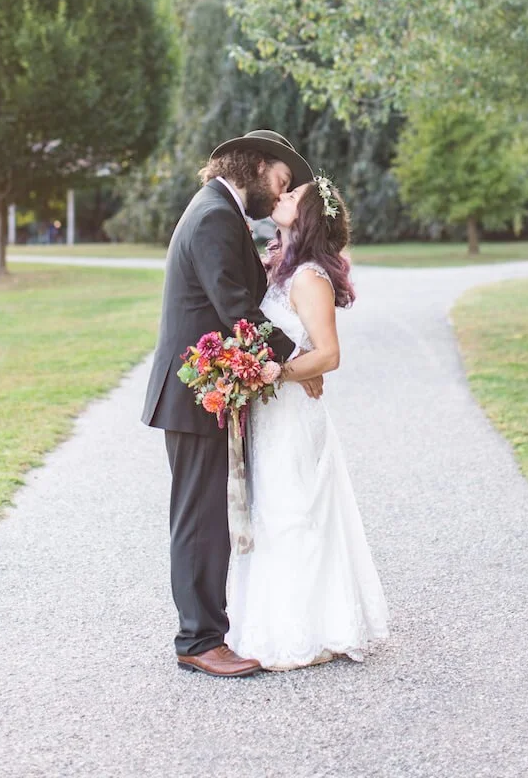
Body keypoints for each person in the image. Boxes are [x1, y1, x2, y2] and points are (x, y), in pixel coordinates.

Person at [142, 129, 321, 679]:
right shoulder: (216, 215)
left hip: (203, 392)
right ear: (257, 166)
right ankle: (198, 640)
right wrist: (301, 361)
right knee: (198, 519)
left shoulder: (217, 208)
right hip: (195, 395)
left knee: (205, 515)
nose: (279, 192)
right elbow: (236, 308)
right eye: (281, 180)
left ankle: (205, 631)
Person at [226, 175, 389, 670]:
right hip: (275, 411)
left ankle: (309, 628)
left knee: (293, 510)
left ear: (309, 215)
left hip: (293, 415)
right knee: (271, 509)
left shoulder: (311, 277)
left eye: (293, 196)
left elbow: (330, 355)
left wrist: (278, 374)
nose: (283, 197)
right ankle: (275, 622)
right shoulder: (280, 268)